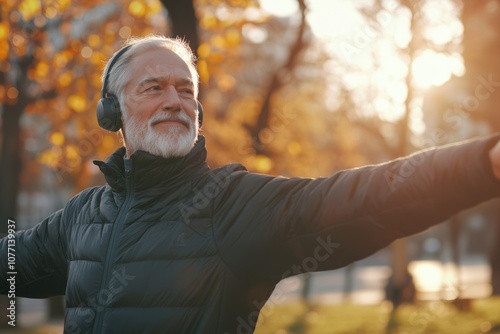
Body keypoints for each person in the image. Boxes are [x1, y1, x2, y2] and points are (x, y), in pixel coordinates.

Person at [1, 34, 500, 334]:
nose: (174, 100)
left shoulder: (230, 204)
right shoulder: (83, 214)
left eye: (185, 89)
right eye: (152, 88)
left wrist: (483, 164)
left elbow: (365, 196)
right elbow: (11, 263)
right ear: (112, 112)